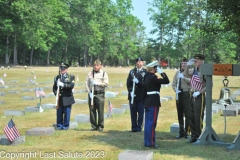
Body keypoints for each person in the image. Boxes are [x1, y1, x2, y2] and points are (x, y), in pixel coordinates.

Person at [179, 54, 206, 143]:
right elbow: (184, 74)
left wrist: (200, 92)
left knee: (198, 116)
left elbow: (210, 85)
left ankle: (199, 136)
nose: (195, 62)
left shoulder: (205, 70)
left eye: (196, 61)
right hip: (192, 94)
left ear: (202, 61)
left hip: (199, 95)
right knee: (190, 115)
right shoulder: (194, 70)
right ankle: (193, 136)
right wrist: (188, 65)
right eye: (194, 61)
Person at [144, 60, 170, 148]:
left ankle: (147, 142)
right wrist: (161, 72)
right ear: (153, 69)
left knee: (148, 123)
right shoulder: (153, 77)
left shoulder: (146, 76)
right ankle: (151, 143)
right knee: (152, 124)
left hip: (148, 101)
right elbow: (166, 81)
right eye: (156, 68)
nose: (156, 69)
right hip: (153, 101)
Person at [86, 60, 108, 132]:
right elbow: (87, 84)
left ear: (100, 66)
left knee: (100, 110)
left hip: (99, 94)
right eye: (94, 65)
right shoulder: (90, 73)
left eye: (97, 65)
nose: (95, 67)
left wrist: (97, 83)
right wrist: (89, 92)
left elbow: (106, 84)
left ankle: (100, 126)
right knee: (92, 110)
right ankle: (93, 126)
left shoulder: (103, 73)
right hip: (91, 93)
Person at [126, 57, 147, 132]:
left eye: (140, 62)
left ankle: (139, 127)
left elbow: (146, 84)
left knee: (141, 113)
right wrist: (130, 91)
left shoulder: (145, 72)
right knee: (133, 112)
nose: (139, 63)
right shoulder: (132, 72)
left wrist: (139, 82)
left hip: (141, 96)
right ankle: (134, 127)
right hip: (133, 96)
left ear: (143, 63)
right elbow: (128, 83)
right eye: (137, 62)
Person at [172, 58, 191, 139]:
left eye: (185, 63)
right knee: (180, 113)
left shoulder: (190, 73)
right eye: (182, 63)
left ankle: (187, 132)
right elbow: (173, 84)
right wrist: (176, 90)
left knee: (187, 113)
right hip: (179, 94)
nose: (184, 65)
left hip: (186, 93)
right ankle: (181, 132)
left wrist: (184, 77)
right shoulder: (177, 73)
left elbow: (191, 82)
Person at [53, 63, 75, 130]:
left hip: (67, 98)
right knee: (59, 113)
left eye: (64, 68)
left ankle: (65, 126)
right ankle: (59, 126)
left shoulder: (70, 77)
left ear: (67, 69)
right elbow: (54, 88)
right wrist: (56, 94)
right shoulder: (57, 77)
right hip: (59, 98)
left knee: (66, 113)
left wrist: (63, 85)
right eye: (61, 68)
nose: (62, 70)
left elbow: (71, 86)